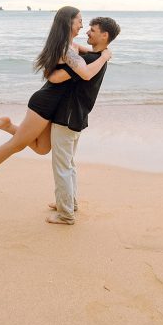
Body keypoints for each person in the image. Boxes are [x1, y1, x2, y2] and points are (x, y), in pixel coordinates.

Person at [0, 6, 111, 201]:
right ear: (68, 22)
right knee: (16, 145)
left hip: (54, 106)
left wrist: (100, 52)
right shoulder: (65, 49)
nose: (81, 25)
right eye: (79, 20)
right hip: (44, 104)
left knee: (43, 148)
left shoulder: (71, 45)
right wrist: (105, 57)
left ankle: (9, 125)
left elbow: (88, 55)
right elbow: (86, 73)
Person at [44, 16, 120, 225]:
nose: (87, 32)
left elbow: (54, 77)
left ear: (104, 35)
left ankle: (66, 214)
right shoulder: (97, 58)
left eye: (92, 30)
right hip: (77, 116)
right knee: (68, 163)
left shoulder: (89, 61)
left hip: (67, 116)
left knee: (62, 166)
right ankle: (68, 203)